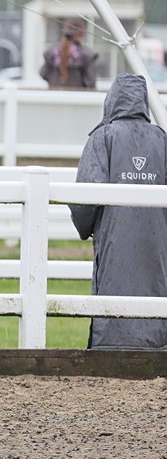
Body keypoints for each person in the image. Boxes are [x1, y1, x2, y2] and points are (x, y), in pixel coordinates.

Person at [68, 72, 167, 350]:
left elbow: (83, 201)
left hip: (114, 248)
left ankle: (109, 345)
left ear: (111, 101)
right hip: (156, 251)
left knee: (111, 295)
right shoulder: (162, 140)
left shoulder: (102, 138)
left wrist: (85, 228)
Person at [40, 20, 97, 89]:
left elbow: (43, 73)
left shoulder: (52, 52)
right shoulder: (86, 54)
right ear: (79, 35)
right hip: (77, 97)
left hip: (54, 95)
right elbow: (90, 81)